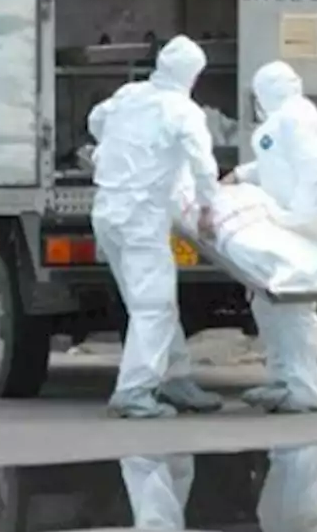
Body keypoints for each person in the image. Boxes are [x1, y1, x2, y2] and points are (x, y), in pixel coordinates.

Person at [89, 35, 223, 419]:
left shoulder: (130, 95)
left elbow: (96, 119)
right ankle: (134, 391)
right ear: (193, 75)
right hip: (141, 217)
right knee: (154, 305)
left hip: (108, 213)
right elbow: (203, 164)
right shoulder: (183, 110)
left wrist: (118, 147)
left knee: (147, 302)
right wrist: (207, 209)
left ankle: (175, 378)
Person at [224, 61, 317, 415]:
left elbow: (311, 169)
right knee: (268, 301)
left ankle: (301, 387)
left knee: (293, 309)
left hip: (300, 225)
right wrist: (240, 175)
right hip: (291, 222)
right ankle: (280, 379)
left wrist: (298, 217)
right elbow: (276, 164)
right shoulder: (294, 115)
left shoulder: (293, 118)